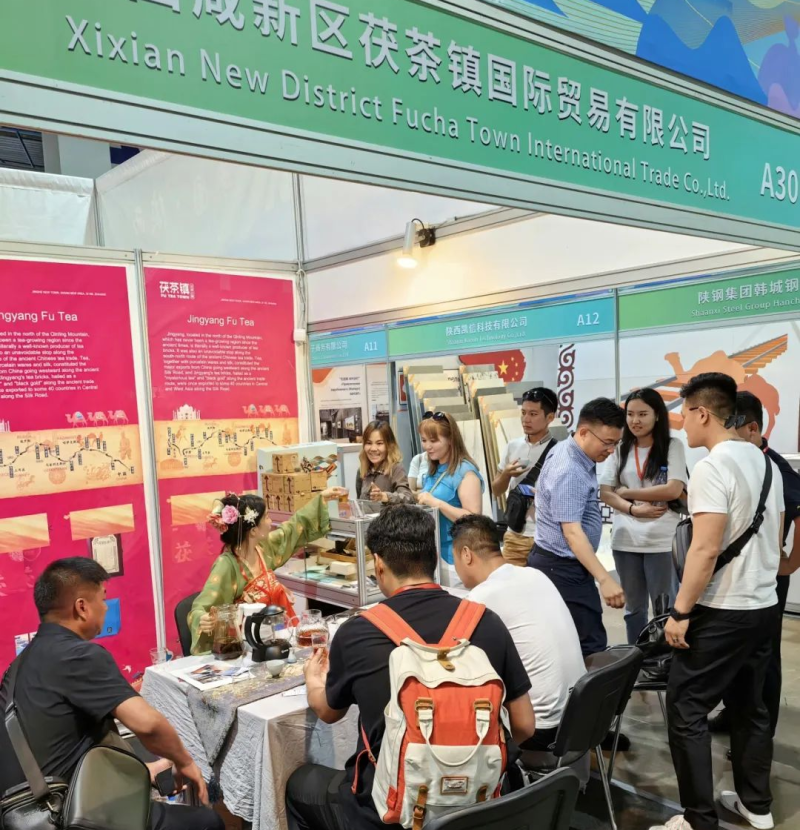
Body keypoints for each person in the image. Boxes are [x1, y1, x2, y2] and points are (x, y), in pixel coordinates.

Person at [285, 505, 535, 830]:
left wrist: (313, 680)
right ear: (433, 557)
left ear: (378, 564)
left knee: (297, 786)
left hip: (389, 816)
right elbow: (525, 725)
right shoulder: (487, 622)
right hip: (482, 807)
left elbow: (328, 712)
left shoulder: (357, 632)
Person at [651, 373, 785, 830]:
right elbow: (775, 541)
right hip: (763, 606)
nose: (682, 424)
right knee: (751, 706)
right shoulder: (765, 462)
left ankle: (697, 819)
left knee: (686, 708)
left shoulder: (712, 467)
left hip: (722, 609)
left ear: (702, 413)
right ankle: (756, 806)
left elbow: (705, 549)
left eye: (684, 415)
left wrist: (680, 612)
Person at [0, 558, 222, 830]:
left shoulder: (18, 667)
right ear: (82, 607)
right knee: (207, 821)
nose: (106, 607)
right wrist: (184, 761)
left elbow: (62, 750)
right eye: (103, 599)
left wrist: (146, 770)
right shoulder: (78, 655)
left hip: (30, 813)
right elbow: (149, 725)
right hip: (69, 816)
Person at [708, 391, 800, 739]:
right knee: (734, 653)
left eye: (730, 426)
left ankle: (760, 731)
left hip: (766, 576)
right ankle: (733, 715)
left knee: (763, 657)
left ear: (752, 428)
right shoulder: (729, 461)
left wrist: (791, 563)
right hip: (734, 574)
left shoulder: (775, 467)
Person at [452, 514, 585, 751]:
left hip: (541, 729)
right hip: (581, 714)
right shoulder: (535, 574)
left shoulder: (482, 597)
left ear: (466, 554)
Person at [190, 489, 346, 654]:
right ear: (253, 531)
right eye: (266, 517)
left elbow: (290, 531)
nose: (270, 522)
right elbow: (201, 608)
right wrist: (203, 619)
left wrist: (321, 498)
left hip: (277, 635)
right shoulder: (226, 565)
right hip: (249, 645)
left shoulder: (262, 549)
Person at [528, 397, 626, 657]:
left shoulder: (572, 451)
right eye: (607, 442)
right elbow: (572, 533)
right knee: (589, 645)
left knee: (573, 642)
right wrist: (604, 579)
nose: (611, 450)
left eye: (616, 443)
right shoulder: (569, 469)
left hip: (560, 564)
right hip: (561, 568)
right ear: (584, 432)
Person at [600, 389, 687, 643]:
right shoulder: (620, 449)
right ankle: (637, 657)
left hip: (662, 541)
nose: (635, 420)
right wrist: (633, 509)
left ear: (657, 415)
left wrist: (628, 492)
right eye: (630, 414)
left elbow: (673, 489)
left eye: (642, 414)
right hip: (625, 541)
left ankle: (665, 659)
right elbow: (606, 492)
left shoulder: (672, 446)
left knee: (664, 609)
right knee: (633, 609)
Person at [491, 387, 558, 567]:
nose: (526, 419)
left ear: (550, 417)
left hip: (546, 537)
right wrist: (506, 474)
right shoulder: (512, 446)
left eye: (533, 414)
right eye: (523, 413)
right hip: (515, 534)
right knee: (510, 582)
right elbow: (496, 490)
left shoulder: (559, 451)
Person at [415, 411, 485, 586]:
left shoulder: (465, 472)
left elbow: (473, 519)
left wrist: (437, 503)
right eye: (424, 440)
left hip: (457, 559)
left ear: (450, 439)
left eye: (433, 440)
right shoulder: (433, 469)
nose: (427, 446)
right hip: (433, 555)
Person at [354, 420, 414, 504]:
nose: (373, 448)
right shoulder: (361, 471)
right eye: (369, 443)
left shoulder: (396, 469)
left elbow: (408, 498)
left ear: (389, 445)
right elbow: (360, 503)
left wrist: (385, 497)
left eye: (379, 443)